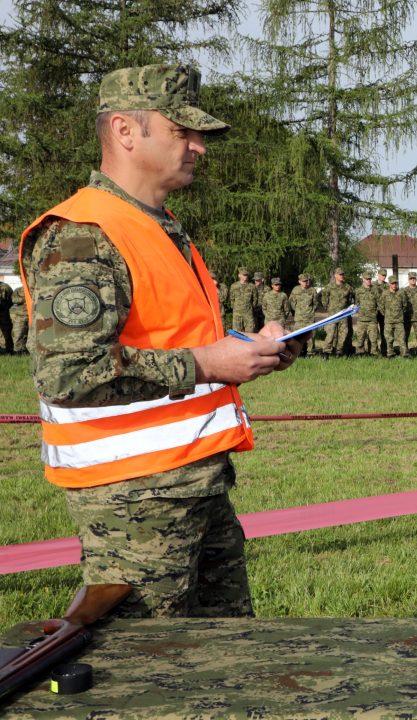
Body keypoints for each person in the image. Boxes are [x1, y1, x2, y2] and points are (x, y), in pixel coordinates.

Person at [17, 63, 309, 619]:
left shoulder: (158, 225)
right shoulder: (82, 234)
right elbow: (67, 375)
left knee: (225, 655)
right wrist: (208, 363)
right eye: (182, 131)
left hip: (195, 482)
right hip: (133, 502)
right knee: (147, 662)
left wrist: (250, 349)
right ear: (125, 130)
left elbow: (175, 338)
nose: (199, 146)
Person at [320, 267, 353, 359]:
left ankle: (339, 352)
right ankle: (326, 352)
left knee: (343, 335)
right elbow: (324, 300)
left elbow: (349, 300)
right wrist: (329, 309)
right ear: (335, 275)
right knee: (330, 334)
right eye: (340, 274)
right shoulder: (329, 287)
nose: (342, 276)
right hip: (333, 315)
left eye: (343, 274)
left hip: (343, 315)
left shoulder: (348, 287)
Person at [289, 273, 319, 357]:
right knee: (299, 335)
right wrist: (298, 311)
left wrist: (311, 311)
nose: (305, 283)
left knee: (311, 336)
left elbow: (316, 303)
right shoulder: (295, 290)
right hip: (299, 317)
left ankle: (311, 353)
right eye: (303, 281)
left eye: (306, 281)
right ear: (299, 281)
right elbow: (292, 302)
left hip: (309, 317)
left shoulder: (312, 290)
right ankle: (299, 352)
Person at [353, 271, 380, 357]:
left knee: (373, 338)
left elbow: (379, 303)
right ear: (363, 279)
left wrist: (375, 313)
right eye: (367, 279)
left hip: (372, 319)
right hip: (362, 319)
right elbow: (357, 303)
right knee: (360, 337)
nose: (368, 281)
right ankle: (359, 353)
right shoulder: (359, 291)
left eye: (369, 279)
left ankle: (373, 353)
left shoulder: (375, 290)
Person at [379, 276, 407, 358]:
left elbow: (404, 306)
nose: (394, 285)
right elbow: (381, 306)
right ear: (389, 284)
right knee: (389, 339)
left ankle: (404, 354)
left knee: (402, 338)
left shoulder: (401, 293)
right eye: (392, 283)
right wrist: (387, 314)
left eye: (395, 283)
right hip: (388, 320)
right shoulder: (385, 294)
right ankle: (390, 354)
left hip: (399, 321)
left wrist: (399, 314)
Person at [229, 267, 258, 333]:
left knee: (250, 332)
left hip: (248, 313)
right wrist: (235, 308)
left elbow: (255, 300)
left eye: (247, 275)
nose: (246, 276)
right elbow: (232, 299)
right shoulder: (234, 286)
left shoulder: (252, 286)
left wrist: (250, 308)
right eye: (244, 275)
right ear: (239, 275)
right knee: (237, 333)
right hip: (237, 313)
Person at [374, 268, 388, 356]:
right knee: (373, 332)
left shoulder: (388, 286)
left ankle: (384, 350)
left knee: (384, 332)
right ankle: (372, 350)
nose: (383, 277)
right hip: (374, 312)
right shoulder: (372, 285)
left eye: (385, 275)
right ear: (378, 275)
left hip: (384, 312)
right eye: (382, 275)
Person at [10, 286, 28, 355]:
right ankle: (17, 350)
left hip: (32, 315)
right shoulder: (18, 290)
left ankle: (25, 349)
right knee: (18, 333)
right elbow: (13, 299)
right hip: (20, 315)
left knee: (28, 334)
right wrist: (25, 298)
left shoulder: (34, 289)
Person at [0, 280, 12, 353]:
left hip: (3, 314)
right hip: (4, 312)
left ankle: (9, 349)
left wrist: (6, 307)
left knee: (7, 332)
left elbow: (12, 299)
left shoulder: (5, 287)